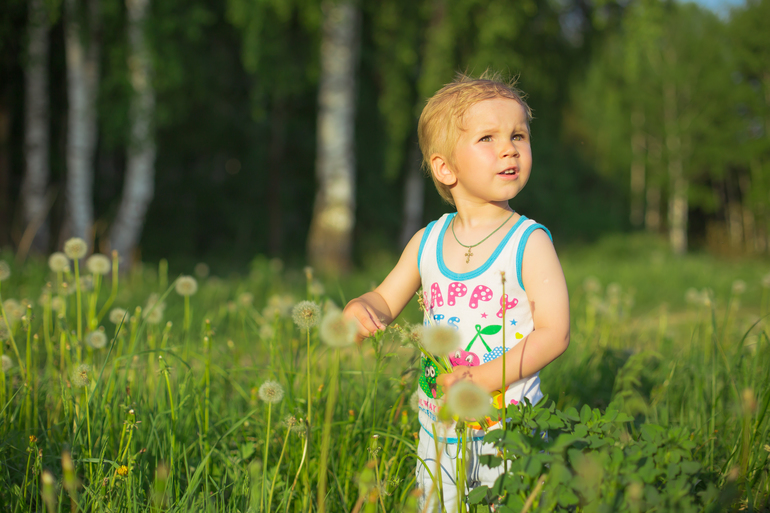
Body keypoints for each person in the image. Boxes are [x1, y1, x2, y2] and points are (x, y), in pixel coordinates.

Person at [342, 71, 570, 511]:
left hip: (508, 424)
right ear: (445, 168)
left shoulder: (528, 241)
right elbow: (386, 299)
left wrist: (484, 378)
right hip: (438, 421)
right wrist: (361, 307)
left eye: (518, 135)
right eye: (488, 138)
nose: (509, 148)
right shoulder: (428, 240)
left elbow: (554, 333)